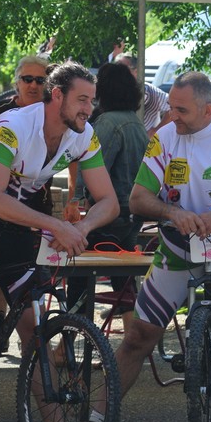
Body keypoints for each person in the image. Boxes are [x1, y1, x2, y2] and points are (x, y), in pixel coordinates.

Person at [0, 61, 119, 422]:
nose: (89, 109)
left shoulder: (83, 134)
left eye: (92, 101)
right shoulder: (13, 126)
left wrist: (80, 228)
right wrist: (55, 225)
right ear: (57, 95)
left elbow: (109, 202)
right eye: (82, 100)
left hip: (14, 224)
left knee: (35, 327)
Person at [108, 71, 211, 408]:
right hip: (180, 246)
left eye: (182, 110)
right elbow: (138, 198)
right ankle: (97, 419)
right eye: (171, 107)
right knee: (138, 336)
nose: (172, 115)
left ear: (208, 110)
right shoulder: (164, 137)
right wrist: (173, 213)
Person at [64, 62, 149, 331]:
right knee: (123, 280)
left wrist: (77, 199)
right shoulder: (136, 122)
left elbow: (92, 166)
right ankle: (133, 337)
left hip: (110, 215)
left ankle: (69, 339)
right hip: (133, 214)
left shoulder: (107, 123)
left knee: (79, 275)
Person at [0, 55, 51, 320]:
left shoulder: (52, 116)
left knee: (28, 283)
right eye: (27, 79)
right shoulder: (1, 111)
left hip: (32, 212)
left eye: (40, 80)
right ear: (17, 83)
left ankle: (28, 331)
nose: (33, 85)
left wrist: (74, 197)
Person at [113, 53, 172, 136]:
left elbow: (172, 106)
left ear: (136, 71)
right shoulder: (110, 92)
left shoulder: (150, 92)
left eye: (122, 69)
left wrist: (156, 130)